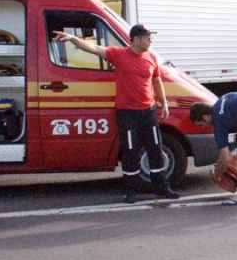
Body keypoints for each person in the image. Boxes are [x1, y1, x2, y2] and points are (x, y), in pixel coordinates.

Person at [52, 24, 180, 203]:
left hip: (148, 112)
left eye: (151, 36)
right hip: (127, 113)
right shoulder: (119, 54)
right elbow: (95, 48)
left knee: (155, 148)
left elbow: (157, 81)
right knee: (130, 151)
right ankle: (131, 191)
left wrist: (164, 103)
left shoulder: (151, 57)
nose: (151, 40)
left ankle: (162, 187)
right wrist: (73, 39)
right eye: (147, 36)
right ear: (135, 39)